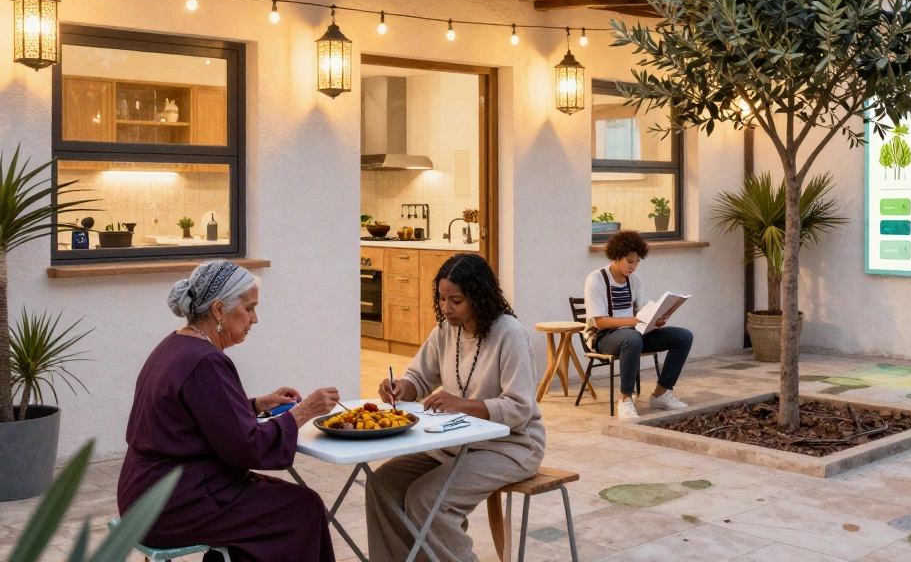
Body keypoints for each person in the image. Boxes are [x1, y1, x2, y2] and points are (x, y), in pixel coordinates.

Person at [117, 260, 341, 562]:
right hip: (175, 504)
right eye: (249, 308)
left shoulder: (175, 345)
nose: (255, 319)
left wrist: (254, 405)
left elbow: (197, 417)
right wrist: (303, 412)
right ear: (219, 309)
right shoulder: (206, 361)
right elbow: (247, 447)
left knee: (286, 504)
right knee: (303, 509)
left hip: (147, 495)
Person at [369, 253, 544, 562]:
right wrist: (401, 388)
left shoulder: (510, 334)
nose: (446, 308)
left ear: (479, 297)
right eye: (442, 299)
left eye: (456, 300)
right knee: (381, 484)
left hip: (510, 447)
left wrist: (462, 405)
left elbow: (519, 408)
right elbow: (419, 377)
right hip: (453, 443)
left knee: (427, 500)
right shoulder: (446, 330)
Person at [583, 230, 694, 419]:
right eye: (629, 261)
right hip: (604, 337)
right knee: (632, 338)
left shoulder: (634, 280)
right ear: (617, 256)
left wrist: (657, 318)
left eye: (637, 262)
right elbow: (600, 322)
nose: (633, 267)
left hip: (633, 334)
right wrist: (633, 321)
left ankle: (661, 394)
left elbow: (643, 311)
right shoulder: (596, 279)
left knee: (683, 337)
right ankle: (626, 399)